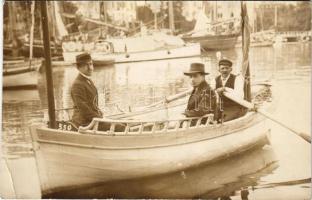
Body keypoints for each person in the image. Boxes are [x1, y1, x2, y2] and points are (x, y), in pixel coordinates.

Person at [71, 53, 103, 128]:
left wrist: (100, 114)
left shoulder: (87, 81)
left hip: (92, 120)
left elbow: (93, 105)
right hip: (84, 123)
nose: (90, 68)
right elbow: (84, 109)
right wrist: (100, 119)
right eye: (86, 65)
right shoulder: (77, 84)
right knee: (120, 127)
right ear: (78, 67)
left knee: (124, 125)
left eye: (91, 64)